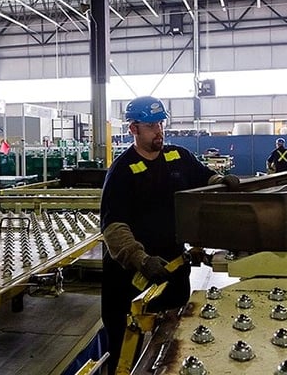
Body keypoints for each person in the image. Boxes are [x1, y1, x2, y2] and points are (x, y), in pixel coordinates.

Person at [99, 96, 239, 374]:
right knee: (124, 349)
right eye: (151, 126)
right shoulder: (122, 171)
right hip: (132, 277)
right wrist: (140, 259)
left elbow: (204, 177)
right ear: (134, 130)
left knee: (173, 341)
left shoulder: (178, 157)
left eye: (161, 124)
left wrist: (220, 182)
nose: (158, 132)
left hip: (173, 270)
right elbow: (114, 227)